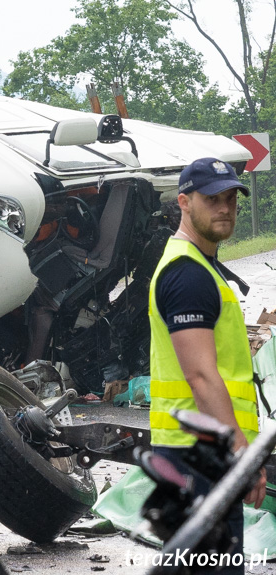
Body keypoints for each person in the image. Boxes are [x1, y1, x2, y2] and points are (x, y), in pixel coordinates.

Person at [149, 157, 266, 569]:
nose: (226, 207)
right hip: (198, 457)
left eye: (232, 198)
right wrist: (240, 456)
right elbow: (200, 376)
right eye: (212, 198)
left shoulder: (200, 267)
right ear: (184, 201)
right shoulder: (188, 274)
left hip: (194, 454)